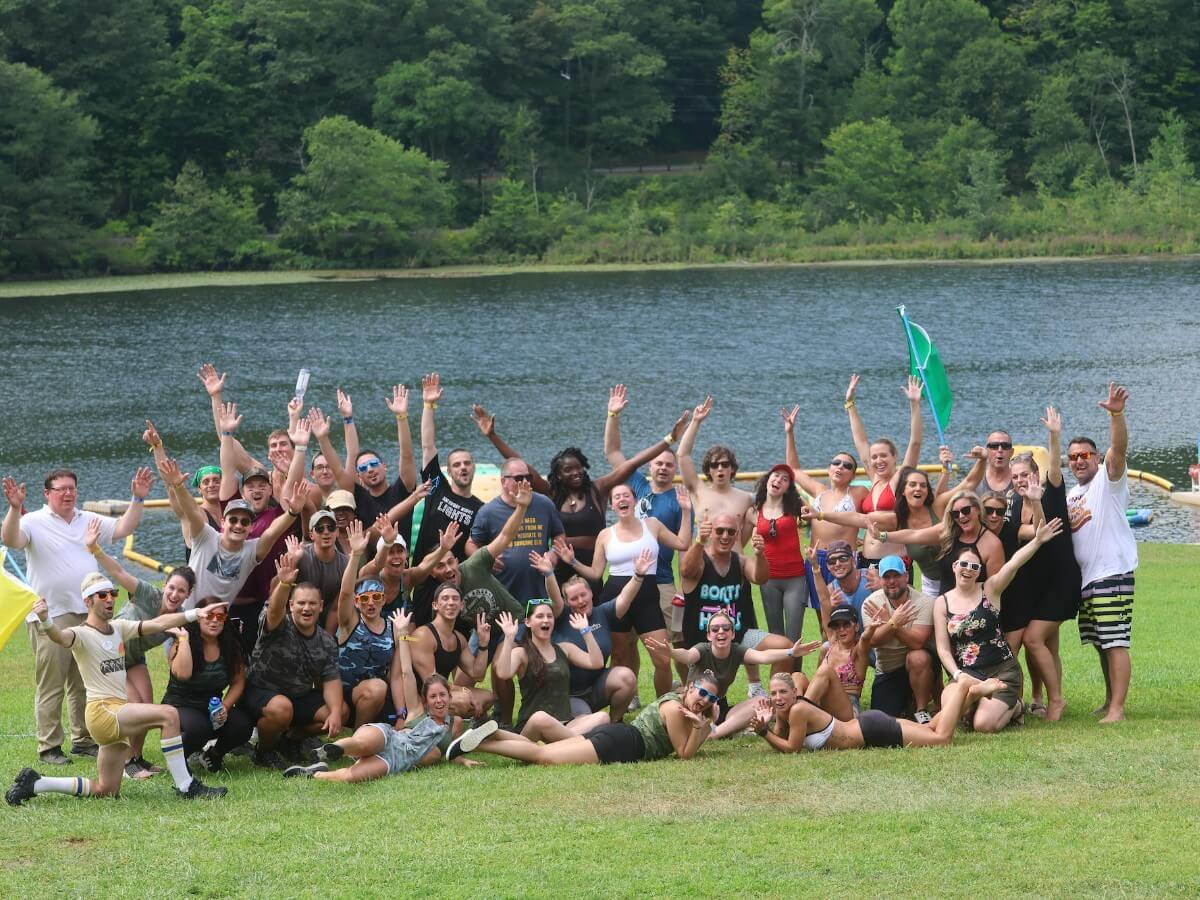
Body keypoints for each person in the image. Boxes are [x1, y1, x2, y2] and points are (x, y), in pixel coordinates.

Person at [6, 577, 227, 804]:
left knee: (106, 789)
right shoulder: (81, 633)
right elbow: (59, 637)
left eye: (113, 593)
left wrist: (195, 613)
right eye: (102, 595)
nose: (110, 599)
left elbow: (159, 623)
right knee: (169, 714)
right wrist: (45, 619)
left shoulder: (119, 628)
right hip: (103, 712)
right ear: (87, 602)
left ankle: (37, 783)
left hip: (114, 715)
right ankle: (186, 786)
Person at [3, 464, 152, 766]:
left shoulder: (88, 519)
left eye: (72, 488)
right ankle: (49, 747)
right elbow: (10, 540)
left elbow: (123, 528)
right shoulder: (32, 521)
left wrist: (137, 499)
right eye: (61, 489)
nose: (68, 494)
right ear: (47, 494)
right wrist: (15, 508)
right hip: (50, 615)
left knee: (84, 683)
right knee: (52, 684)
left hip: (88, 615)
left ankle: (83, 740)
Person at [283, 610, 497, 781]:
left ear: (450, 697)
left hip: (397, 761)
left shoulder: (454, 725)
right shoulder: (417, 710)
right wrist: (402, 634)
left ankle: (315, 773)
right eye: (433, 697)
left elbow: (451, 752)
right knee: (363, 744)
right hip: (390, 739)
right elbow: (406, 672)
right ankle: (334, 749)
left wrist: (463, 761)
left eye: (442, 695)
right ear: (426, 700)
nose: (439, 700)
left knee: (352, 777)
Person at [409, 481, 536, 726]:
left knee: (500, 668)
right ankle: (470, 721)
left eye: (450, 562)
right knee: (462, 684)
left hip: (511, 623)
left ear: (457, 560)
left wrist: (521, 507)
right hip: (483, 632)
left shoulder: (475, 564)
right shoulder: (442, 597)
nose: (448, 569)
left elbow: (505, 537)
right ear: (433, 572)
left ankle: (505, 723)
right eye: (440, 566)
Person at [83, 519, 197, 778]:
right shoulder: (147, 593)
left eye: (181, 591)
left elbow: (179, 653)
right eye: (172, 587)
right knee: (134, 703)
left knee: (147, 704)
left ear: (188, 595)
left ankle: (137, 757)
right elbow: (120, 573)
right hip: (112, 653)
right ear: (165, 585)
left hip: (135, 658)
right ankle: (126, 763)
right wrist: (95, 549)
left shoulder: (178, 618)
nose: (174, 594)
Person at [559, 483, 691, 698]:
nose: (622, 499)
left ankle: (664, 705)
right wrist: (573, 561)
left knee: (662, 659)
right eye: (617, 497)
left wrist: (685, 511)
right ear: (612, 506)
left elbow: (683, 543)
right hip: (615, 600)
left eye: (626, 496)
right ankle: (622, 704)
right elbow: (595, 573)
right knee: (620, 656)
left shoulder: (652, 525)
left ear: (635, 501)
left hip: (647, 599)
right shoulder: (605, 535)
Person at [159, 456, 300, 654]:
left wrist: (292, 512)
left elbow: (272, 532)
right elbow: (190, 510)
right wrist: (178, 486)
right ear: (223, 523)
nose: (238, 525)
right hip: (185, 620)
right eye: (233, 520)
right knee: (184, 668)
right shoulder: (206, 536)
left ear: (250, 528)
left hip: (215, 623)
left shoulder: (250, 552)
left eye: (245, 522)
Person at [934, 520, 1063, 732]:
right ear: (954, 566)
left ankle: (1016, 707)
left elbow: (1013, 564)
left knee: (983, 725)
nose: (968, 570)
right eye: (964, 564)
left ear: (979, 572)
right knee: (952, 712)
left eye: (974, 567)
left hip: (1001, 672)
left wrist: (1037, 541)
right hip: (966, 674)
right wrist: (957, 675)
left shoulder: (990, 589)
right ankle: (975, 704)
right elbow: (943, 649)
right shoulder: (942, 602)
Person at [450, 672, 722, 766]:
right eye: (702, 692)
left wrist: (701, 723)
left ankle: (493, 733)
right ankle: (479, 744)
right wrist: (703, 726)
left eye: (711, 698)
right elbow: (684, 754)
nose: (705, 700)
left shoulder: (678, 703)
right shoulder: (675, 709)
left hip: (617, 737)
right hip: (621, 744)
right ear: (690, 687)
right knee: (543, 757)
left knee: (540, 750)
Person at [1066, 383, 1138, 724]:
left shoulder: (1108, 481)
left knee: (1115, 641)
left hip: (1111, 573)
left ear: (1096, 458)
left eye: (1085, 455)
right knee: (1099, 641)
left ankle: (1118, 709)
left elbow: (1119, 449)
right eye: (1073, 457)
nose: (1080, 460)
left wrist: (1116, 415)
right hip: (1088, 578)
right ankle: (1110, 700)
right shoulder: (1072, 494)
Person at [604, 385, 692, 646]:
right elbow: (612, 452)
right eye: (658, 463)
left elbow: (684, 548)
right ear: (650, 466)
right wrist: (613, 415)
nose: (663, 468)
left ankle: (686, 674)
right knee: (625, 643)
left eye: (669, 465)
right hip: (624, 578)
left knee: (676, 640)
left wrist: (683, 589)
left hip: (662, 581)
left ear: (675, 469)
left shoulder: (679, 501)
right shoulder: (637, 485)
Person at [810, 461, 977, 597]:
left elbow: (968, 483)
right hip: (931, 584)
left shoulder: (938, 505)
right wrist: (821, 514)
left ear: (927, 490)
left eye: (923, 485)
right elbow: (860, 518)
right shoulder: (897, 519)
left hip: (961, 576)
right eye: (912, 485)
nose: (918, 489)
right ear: (903, 491)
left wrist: (982, 460)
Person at [644, 612, 819, 739]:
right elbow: (687, 656)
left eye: (726, 628)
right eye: (715, 629)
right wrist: (671, 652)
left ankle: (715, 732)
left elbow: (763, 656)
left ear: (732, 633)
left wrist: (791, 652)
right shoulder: (702, 650)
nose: (721, 632)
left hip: (717, 707)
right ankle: (717, 731)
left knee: (762, 702)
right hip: (695, 705)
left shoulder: (737, 650)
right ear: (709, 635)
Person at [749, 667, 1006, 752]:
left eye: (783, 692)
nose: (778, 697)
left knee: (941, 738)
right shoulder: (787, 710)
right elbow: (781, 737)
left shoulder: (798, 711)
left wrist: (763, 732)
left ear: (795, 692)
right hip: (868, 725)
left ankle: (963, 687)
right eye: (774, 693)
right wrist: (769, 721)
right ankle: (972, 695)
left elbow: (791, 749)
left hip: (874, 731)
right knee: (930, 727)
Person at [242, 557, 345, 769]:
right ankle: (264, 751)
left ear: (321, 607)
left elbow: (331, 680)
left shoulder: (326, 641)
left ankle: (290, 739)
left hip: (297, 697)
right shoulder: (279, 624)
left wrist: (335, 713)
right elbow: (273, 611)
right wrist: (284, 584)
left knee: (340, 710)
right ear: (291, 605)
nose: (306, 608)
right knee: (282, 708)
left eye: (312, 603)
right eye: (301, 603)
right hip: (260, 692)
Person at [678, 513, 791, 697]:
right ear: (711, 532)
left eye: (731, 532)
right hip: (704, 643)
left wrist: (759, 554)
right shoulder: (700, 560)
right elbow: (686, 571)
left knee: (785, 647)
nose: (725, 536)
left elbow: (760, 578)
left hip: (738, 636)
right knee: (706, 700)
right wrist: (699, 542)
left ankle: (775, 700)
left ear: (737, 535)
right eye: (720, 531)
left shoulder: (740, 561)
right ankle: (684, 691)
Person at [1017, 408, 1082, 721]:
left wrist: (1054, 436)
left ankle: (1056, 700)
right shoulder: (1013, 506)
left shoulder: (1050, 491)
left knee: (1032, 638)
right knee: (1048, 645)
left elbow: (1055, 465)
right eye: (1015, 477)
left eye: (1025, 474)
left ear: (1035, 473)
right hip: (1035, 585)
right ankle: (1040, 697)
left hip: (1061, 581)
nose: (1020, 480)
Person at [550, 550, 650, 722]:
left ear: (591, 594)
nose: (581, 601)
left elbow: (624, 598)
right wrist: (548, 573)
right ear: (566, 602)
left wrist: (638, 575)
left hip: (597, 686)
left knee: (626, 677)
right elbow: (553, 596)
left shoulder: (602, 613)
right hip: (569, 695)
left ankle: (615, 722)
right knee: (590, 726)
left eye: (583, 595)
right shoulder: (561, 616)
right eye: (574, 598)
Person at [161, 597, 253, 775]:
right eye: (209, 616)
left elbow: (238, 681)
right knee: (199, 728)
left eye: (220, 617)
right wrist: (184, 640)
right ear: (198, 617)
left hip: (211, 706)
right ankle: (178, 760)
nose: (214, 621)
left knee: (242, 725)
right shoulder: (182, 642)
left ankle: (214, 754)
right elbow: (182, 674)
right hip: (180, 704)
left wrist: (225, 706)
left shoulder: (230, 645)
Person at [494, 604, 610, 740]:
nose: (546, 620)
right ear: (528, 622)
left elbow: (596, 662)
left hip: (565, 725)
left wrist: (586, 630)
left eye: (549, 616)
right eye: (539, 616)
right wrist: (509, 638)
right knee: (541, 718)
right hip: (534, 725)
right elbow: (503, 673)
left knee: (603, 717)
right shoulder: (521, 653)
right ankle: (573, 742)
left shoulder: (565, 649)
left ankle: (560, 742)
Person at [331, 523, 407, 727]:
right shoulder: (350, 622)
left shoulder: (393, 628)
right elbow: (345, 593)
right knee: (378, 688)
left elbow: (396, 676)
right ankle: (359, 734)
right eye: (364, 598)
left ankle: (363, 731)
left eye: (376, 597)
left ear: (384, 600)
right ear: (357, 602)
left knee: (380, 690)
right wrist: (356, 555)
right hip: (343, 694)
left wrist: (401, 714)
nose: (371, 603)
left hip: (374, 697)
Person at [843, 374, 923, 565]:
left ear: (894, 457)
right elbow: (861, 441)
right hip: (867, 560)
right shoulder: (875, 480)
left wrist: (914, 404)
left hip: (893, 562)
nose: (878, 461)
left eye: (883, 456)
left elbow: (915, 443)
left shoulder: (900, 479)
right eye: (874, 457)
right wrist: (850, 404)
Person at [321, 383, 418, 532]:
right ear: (359, 476)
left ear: (384, 466)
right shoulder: (359, 497)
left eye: (373, 464)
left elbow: (407, 454)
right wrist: (323, 438)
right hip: (370, 547)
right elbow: (338, 468)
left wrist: (401, 417)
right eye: (363, 468)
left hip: (400, 547)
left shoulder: (402, 489)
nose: (370, 470)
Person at [467, 458, 565, 603]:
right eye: (519, 478)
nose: (525, 482)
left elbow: (559, 534)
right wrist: (485, 559)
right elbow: (471, 544)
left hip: (540, 586)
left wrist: (554, 554)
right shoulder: (488, 512)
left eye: (528, 477)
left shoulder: (544, 504)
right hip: (505, 587)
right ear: (503, 481)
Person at [860, 555, 937, 722]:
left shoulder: (924, 602)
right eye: (886, 577)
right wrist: (893, 623)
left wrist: (890, 623)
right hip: (888, 668)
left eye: (896, 575)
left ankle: (922, 710)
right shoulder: (871, 603)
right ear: (881, 580)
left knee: (918, 657)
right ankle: (908, 701)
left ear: (906, 576)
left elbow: (917, 642)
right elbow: (873, 641)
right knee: (882, 720)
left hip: (920, 664)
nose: (892, 581)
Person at [744, 464, 809, 642]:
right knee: (775, 635)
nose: (779, 480)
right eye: (776, 475)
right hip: (768, 579)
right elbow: (739, 544)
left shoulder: (795, 506)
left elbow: (816, 521)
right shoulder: (753, 512)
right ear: (768, 479)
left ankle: (796, 663)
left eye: (785, 479)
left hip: (795, 578)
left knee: (794, 636)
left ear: (788, 488)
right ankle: (779, 664)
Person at [411, 582, 494, 719]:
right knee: (463, 700)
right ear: (435, 605)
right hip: (421, 696)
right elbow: (432, 682)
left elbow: (477, 674)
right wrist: (465, 692)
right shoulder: (424, 635)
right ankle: (436, 723)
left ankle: (458, 722)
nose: (450, 603)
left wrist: (483, 644)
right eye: (445, 598)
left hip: (441, 692)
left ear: (461, 605)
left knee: (488, 697)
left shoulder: (459, 638)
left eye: (455, 599)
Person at [677, 396, 754, 528]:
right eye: (714, 465)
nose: (720, 468)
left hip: (735, 543)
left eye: (725, 464)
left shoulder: (747, 499)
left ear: (732, 468)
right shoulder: (698, 491)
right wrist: (695, 421)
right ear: (708, 470)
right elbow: (683, 455)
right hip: (705, 542)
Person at [294, 508, 348, 631]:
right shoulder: (299, 555)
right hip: (298, 620)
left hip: (328, 622)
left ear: (337, 532)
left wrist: (327, 638)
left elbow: (337, 608)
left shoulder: (345, 564)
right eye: (319, 528)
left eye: (331, 528)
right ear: (311, 535)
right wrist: (292, 563)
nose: (326, 532)